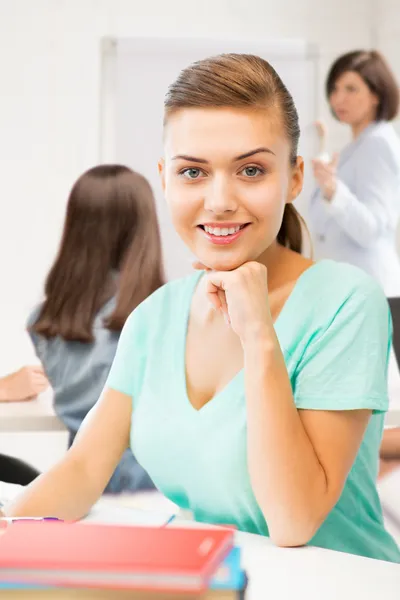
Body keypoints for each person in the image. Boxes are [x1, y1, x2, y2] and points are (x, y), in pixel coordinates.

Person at [3, 54, 400, 563]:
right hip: (214, 579)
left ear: (295, 178)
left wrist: (259, 335)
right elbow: (83, 470)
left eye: (251, 170)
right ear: (165, 178)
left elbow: (294, 519)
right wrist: (8, 521)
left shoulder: (346, 302)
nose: (218, 201)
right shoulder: (153, 317)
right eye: (193, 171)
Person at [26, 165, 164, 493]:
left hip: (80, 488)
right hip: (154, 489)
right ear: (144, 228)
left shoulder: (42, 321)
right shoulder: (165, 315)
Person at [309, 50, 400, 296]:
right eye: (335, 88)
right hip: (353, 288)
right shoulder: (360, 144)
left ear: (376, 95)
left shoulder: (377, 144)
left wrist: (332, 189)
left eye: (351, 89)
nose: (338, 99)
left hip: (370, 289)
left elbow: (372, 230)